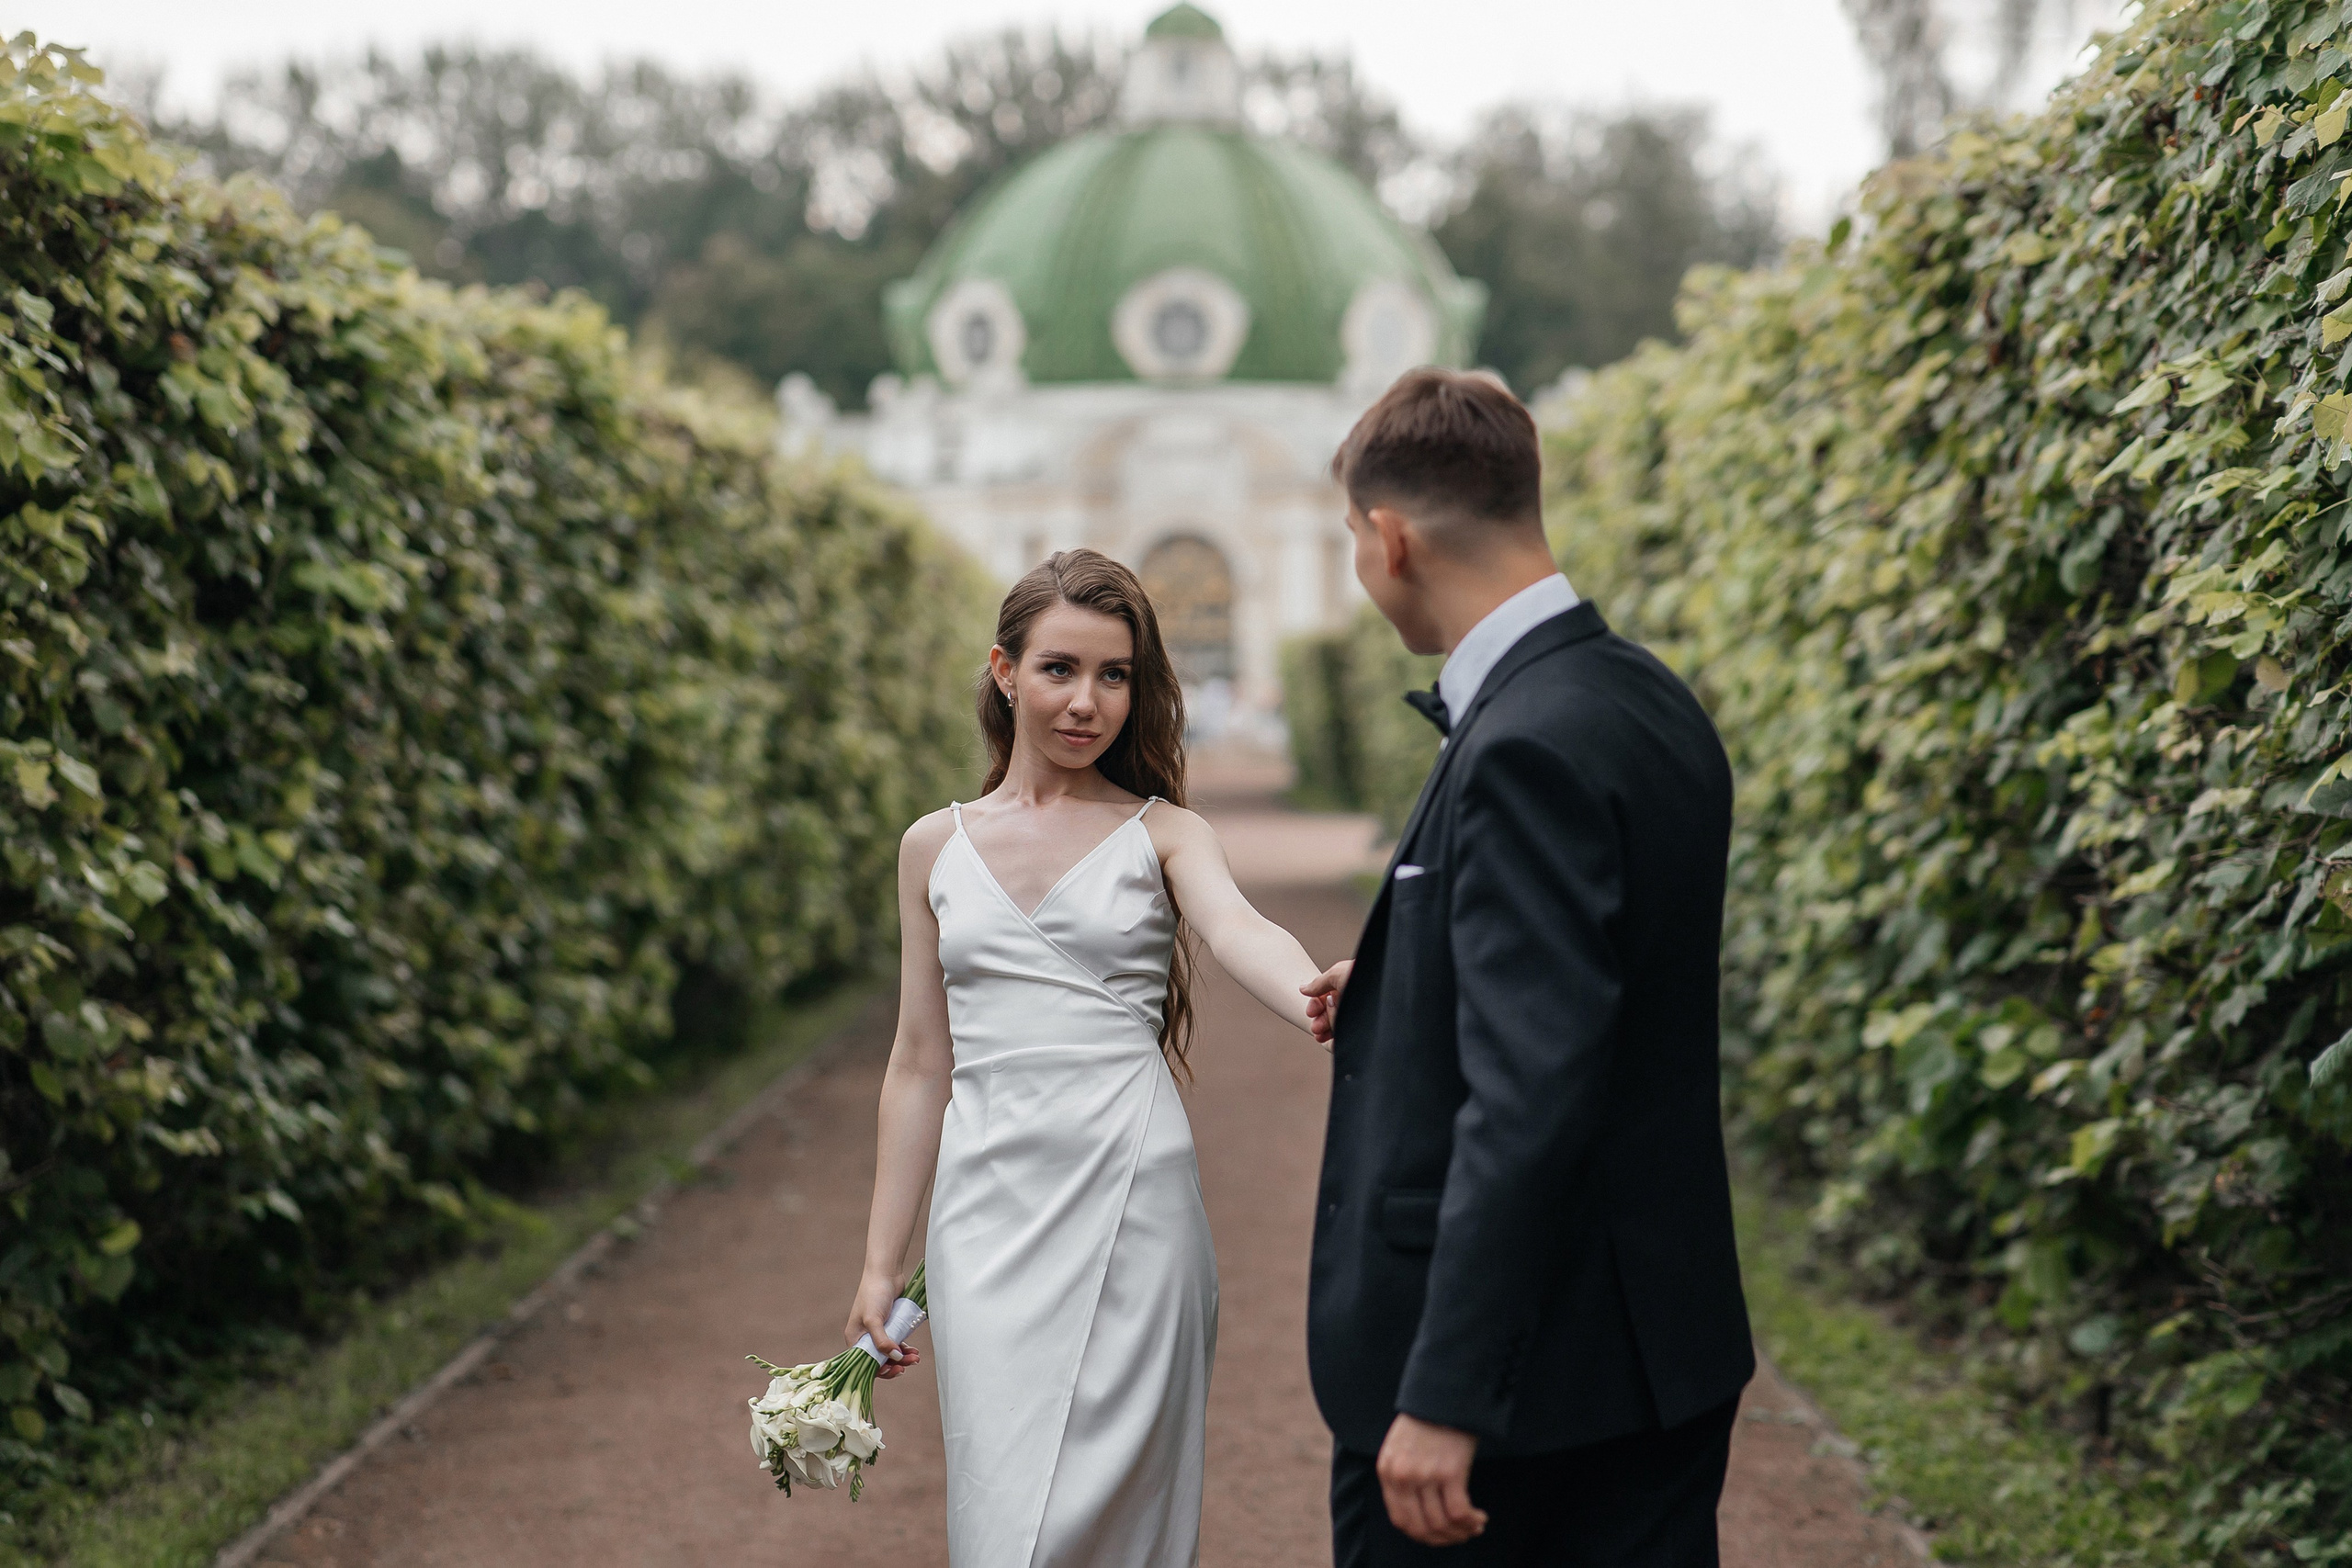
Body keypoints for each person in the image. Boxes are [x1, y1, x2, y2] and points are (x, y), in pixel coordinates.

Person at [1298, 369, 1755, 1567]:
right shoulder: (1646, 698)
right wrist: (1408, 982)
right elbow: (1606, 988)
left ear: (1391, 536)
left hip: (1526, 1392)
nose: (1360, 565)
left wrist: (1447, 1389)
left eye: (1353, 538)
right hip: (1653, 1342)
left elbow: (1531, 1092)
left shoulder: (1521, 742)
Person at [845, 548, 1331, 1568]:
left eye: (1115, 675)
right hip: (985, 1214)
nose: (1088, 702)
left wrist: (1318, 996)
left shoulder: (1167, 834)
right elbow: (918, 1063)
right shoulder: (932, 846)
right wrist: (881, 1264)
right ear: (1003, 670)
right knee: (1001, 1499)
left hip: (1135, 1197)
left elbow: (1240, 931)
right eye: (1061, 669)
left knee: (1125, 1504)